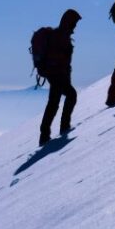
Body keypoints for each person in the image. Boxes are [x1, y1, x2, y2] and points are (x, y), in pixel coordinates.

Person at [37, 9, 82, 145]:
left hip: (56, 74)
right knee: (68, 96)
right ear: (68, 21)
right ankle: (61, 128)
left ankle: (46, 134)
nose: (75, 25)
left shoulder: (62, 35)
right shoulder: (60, 36)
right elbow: (60, 58)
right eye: (74, 22)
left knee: (55, 101)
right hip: (56, 74)